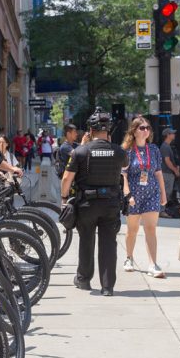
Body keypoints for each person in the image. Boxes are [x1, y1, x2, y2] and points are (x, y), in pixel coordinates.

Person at [61, 109, 126, 296]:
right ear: (109, 130)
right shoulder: (118, 151)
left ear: (90, 130)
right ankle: (107, 286)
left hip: (86, 203)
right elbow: (123, 166)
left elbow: (66, 178)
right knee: (108, 244)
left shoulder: (80, 151)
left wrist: (64, 199)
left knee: (86, 241)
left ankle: (83, 280)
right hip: (111, 203)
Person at [120, 116, 167, 277]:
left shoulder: (153, 149)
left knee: (151, 229)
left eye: (148, 127)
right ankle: (129, 257)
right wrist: (127, 195)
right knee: (132, 230)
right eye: (142, 128)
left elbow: (158, 172)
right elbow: (123, 174)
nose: (146, 130)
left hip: (151, 193)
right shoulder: (128, 151)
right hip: (133, 194)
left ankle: (153, 264)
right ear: (134, 131)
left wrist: (163, 193)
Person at [159, 126, 180, 213]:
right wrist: (175, 170)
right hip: (166, 173)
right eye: (172, 133)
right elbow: (167, 161)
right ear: (168, 135)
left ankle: (162, 210)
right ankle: (161, 210)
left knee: (166, 192)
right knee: (166, 192)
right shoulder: (165, 147)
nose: (174, 134)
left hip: (167, 173)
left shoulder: (167, 146)